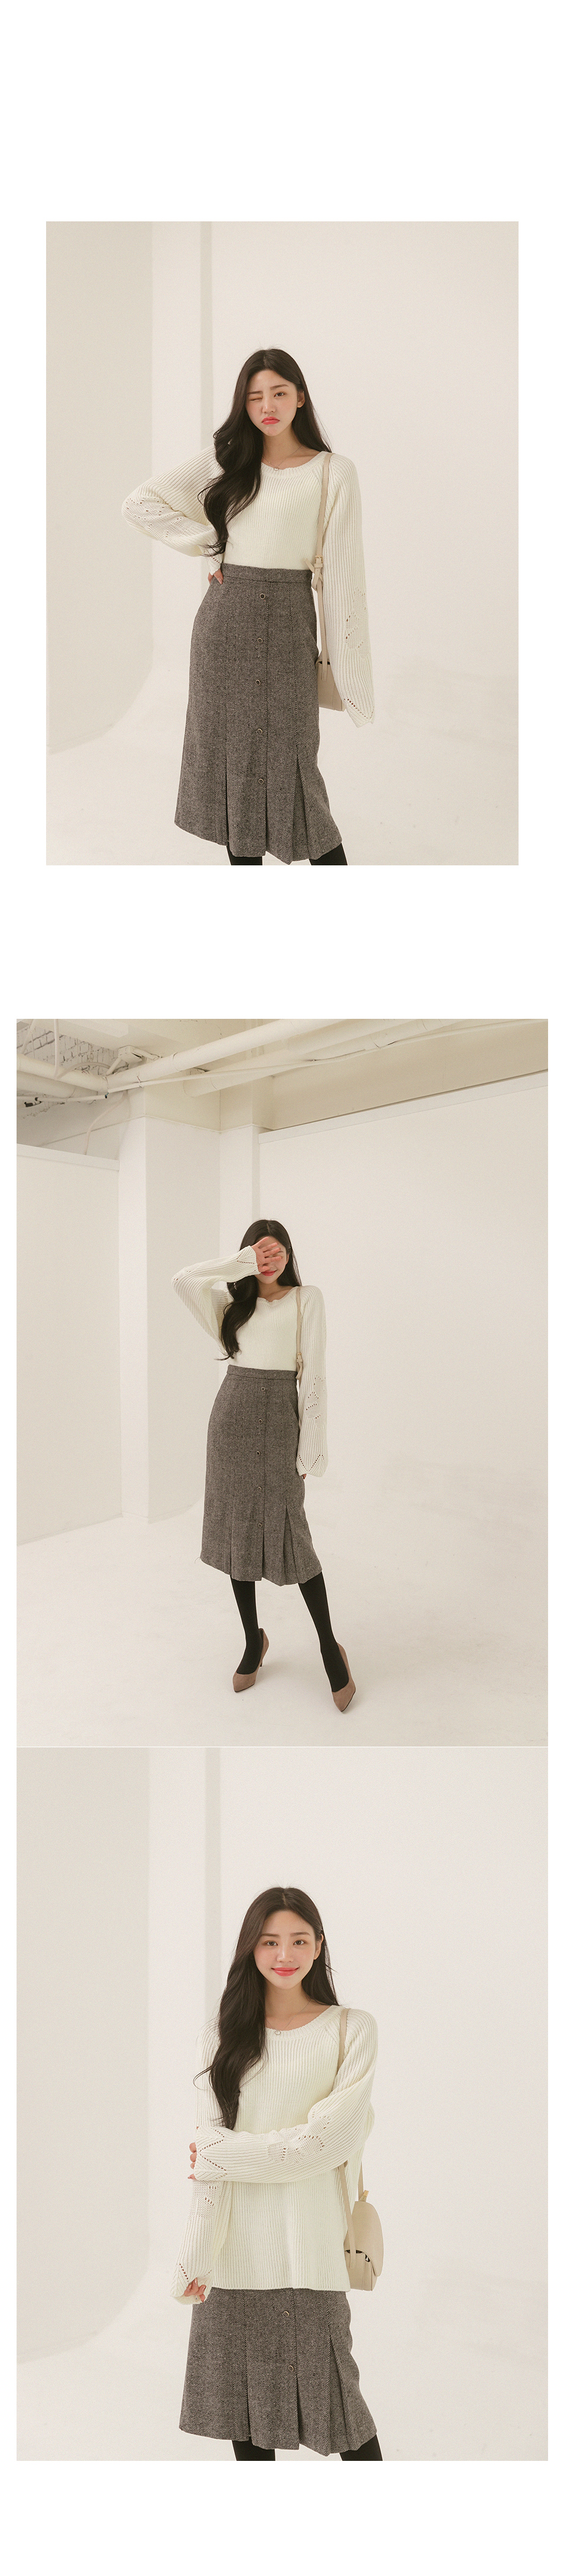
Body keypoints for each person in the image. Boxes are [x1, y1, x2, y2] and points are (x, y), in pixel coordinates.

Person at [122, 346, 373, 864]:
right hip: (224, 626)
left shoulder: (334, 472)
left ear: (300, 397)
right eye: (255, 397)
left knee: (295, 767)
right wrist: (210, 543)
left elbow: (345, 577)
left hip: (289, 626)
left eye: (279, 393)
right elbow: (141, 503)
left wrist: (348, 669)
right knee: (232, 768)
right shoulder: (228, 458)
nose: (268, 406)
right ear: (244, 404)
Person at [173, 1887, 382, 2460]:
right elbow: (209, 2170)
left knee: (343, 2416)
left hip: (314, 2250)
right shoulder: (221, 2035)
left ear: (319, 1945)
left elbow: (325, 2143)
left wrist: (225, 2152)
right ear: (251, 1948)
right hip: (234, 2256)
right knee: (244, 2421)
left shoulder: (351, 2029)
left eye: (298, 1940)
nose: (284, 1954)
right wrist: (194, 2257)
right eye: (269, 1941)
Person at [172, 1220, 355, 1707]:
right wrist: (239, 1266)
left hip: (279, 1421)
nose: (269, 1261)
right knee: (238, 1531)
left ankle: (329, 1648)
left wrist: (309, 1446)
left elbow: (314, 1376)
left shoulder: (307, 1299)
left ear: (290, 1255)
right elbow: (183, 1281)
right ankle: (253, 1640)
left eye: (277, 1252)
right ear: (246, 1257)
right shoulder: (230, 1306)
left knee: (293, 1533)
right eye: (259, 1253)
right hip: (230, 1421)